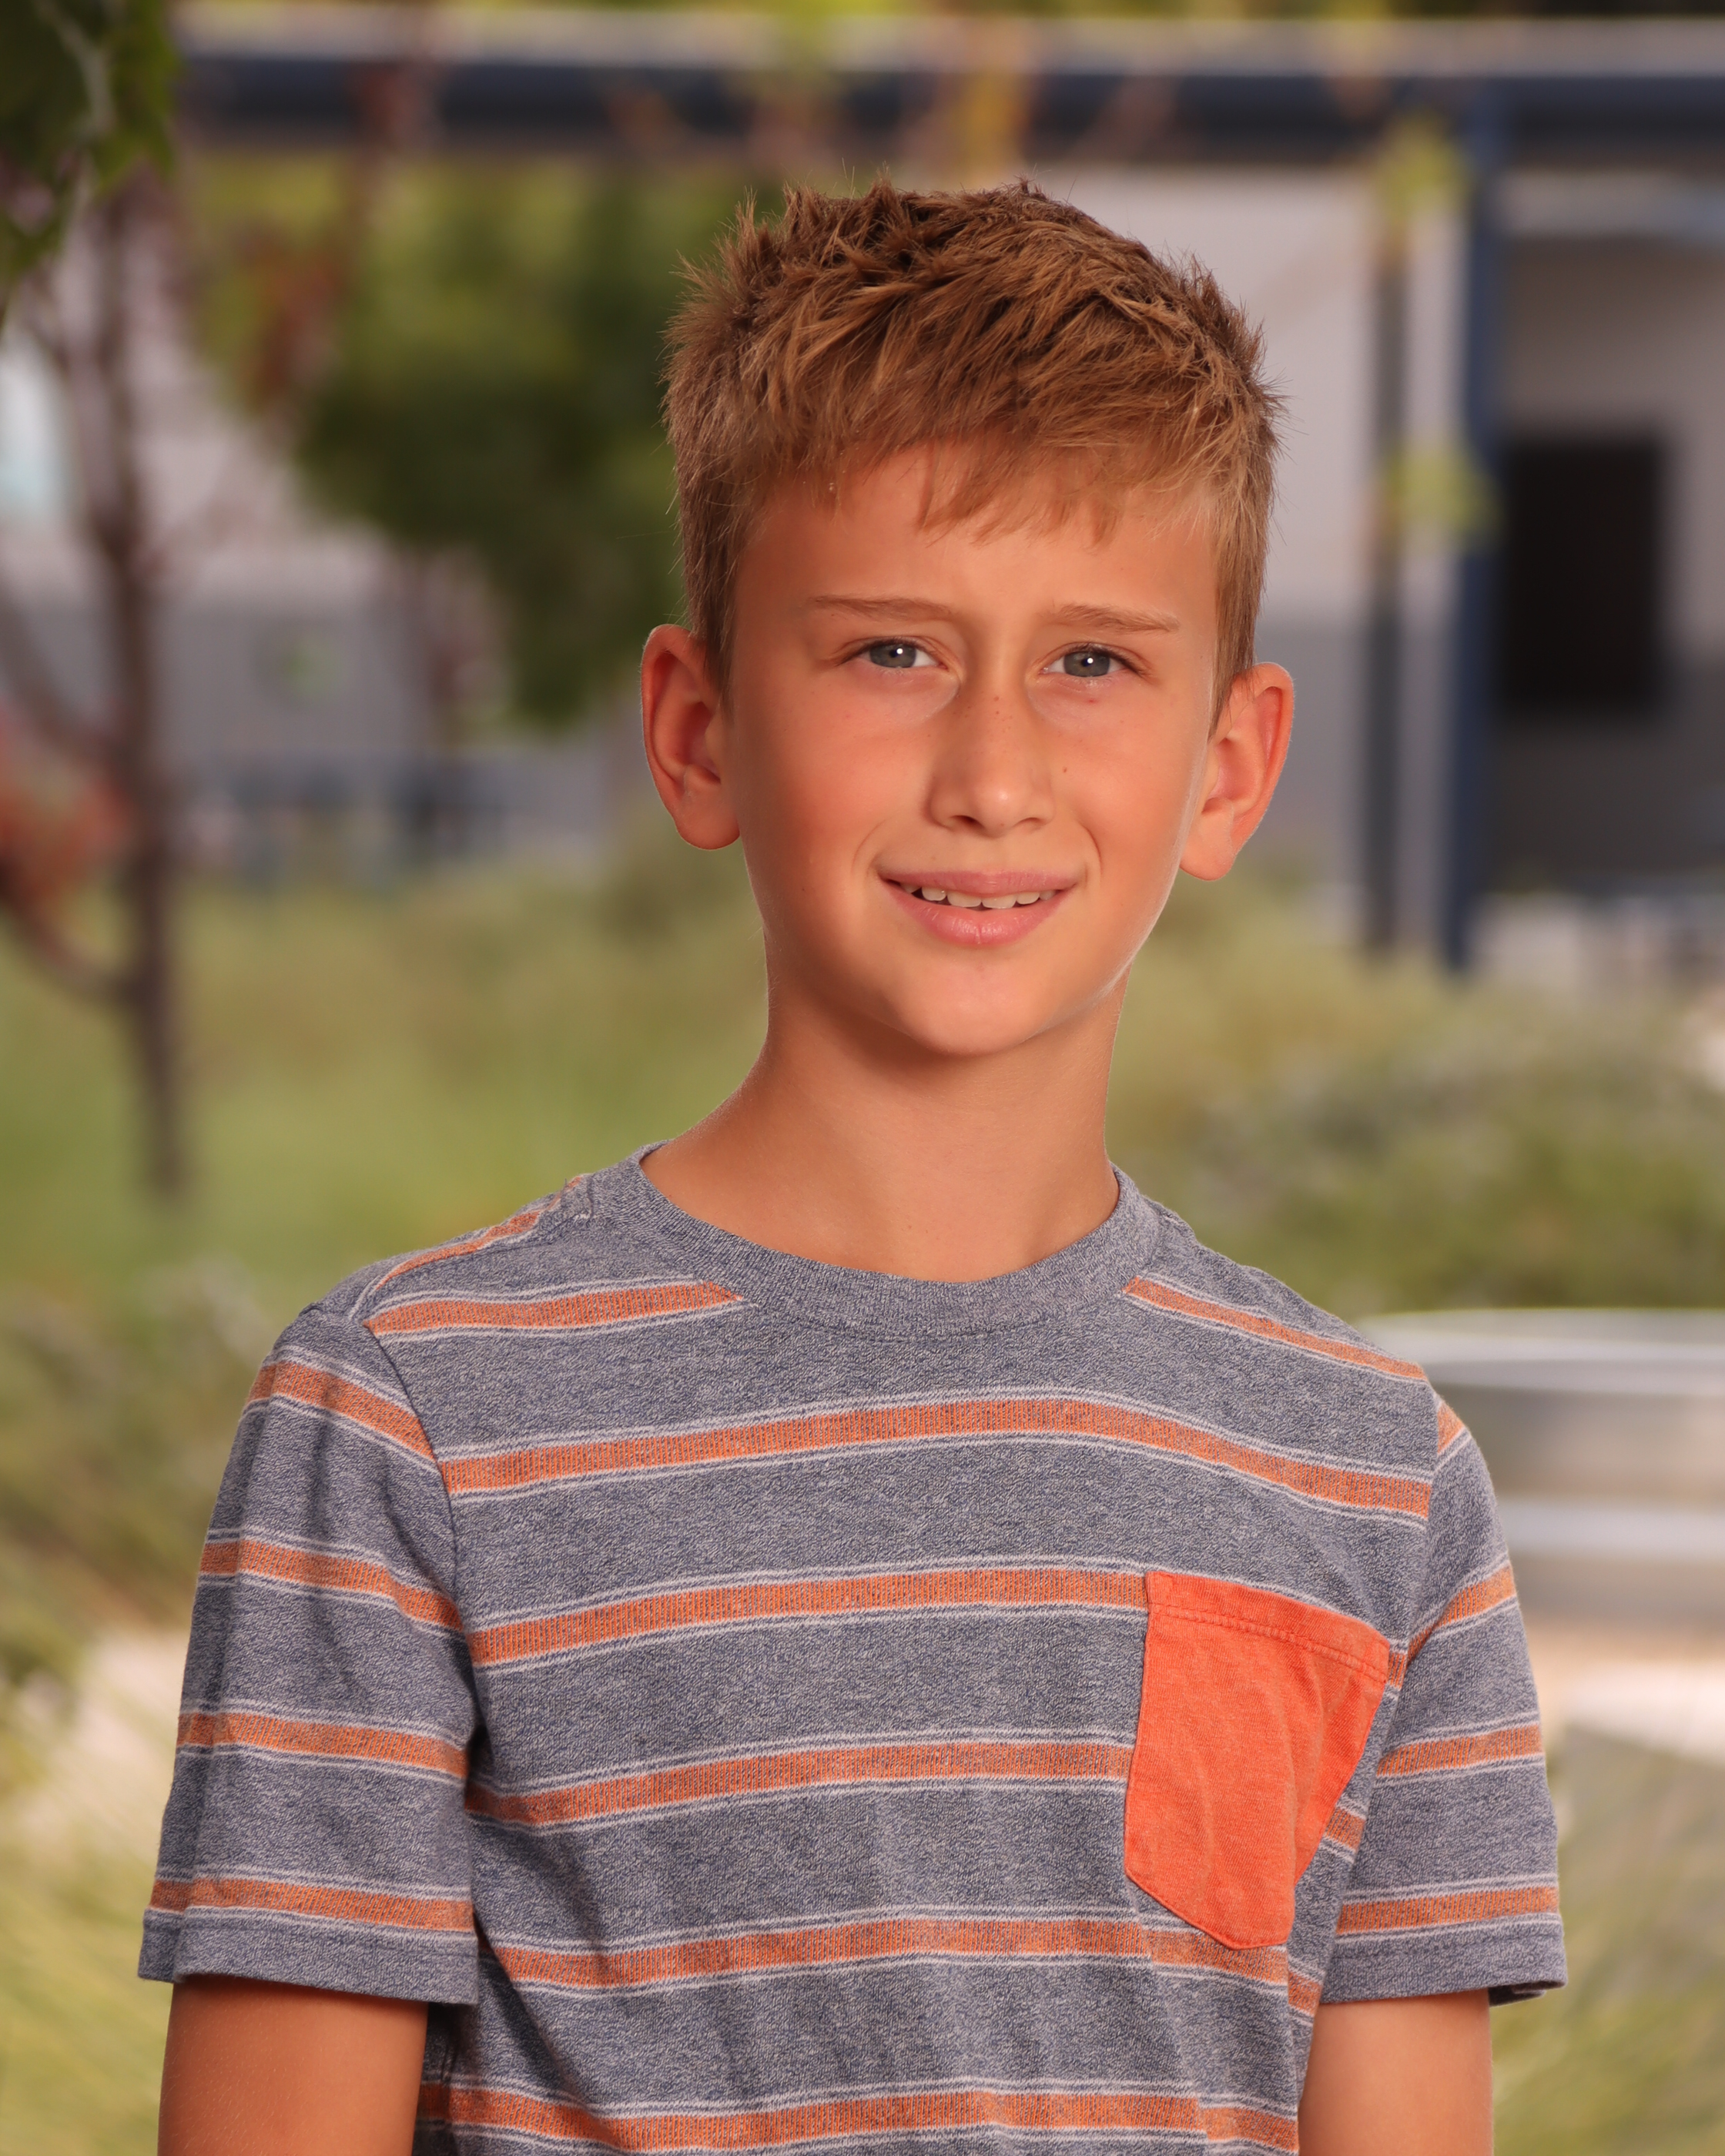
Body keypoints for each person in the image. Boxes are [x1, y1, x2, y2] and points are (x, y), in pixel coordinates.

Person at [145, 179, 1563, 2154]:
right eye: (893, 649)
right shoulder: (408, 1420)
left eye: (1092, 663)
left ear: (1232, 764)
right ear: (698, 729)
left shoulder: (1372, 1485)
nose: (991, 773)